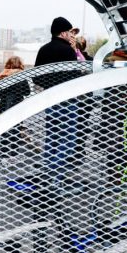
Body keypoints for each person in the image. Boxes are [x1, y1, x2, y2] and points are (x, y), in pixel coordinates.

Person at [34, 17, 79, 189]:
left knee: (51, 139)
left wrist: (50, 85)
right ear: (63, 32)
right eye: (69, 32)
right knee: (67, 140)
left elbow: (36, 76)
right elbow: (74, 76)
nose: (71, 35)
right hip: (67, 100)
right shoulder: (67, 51)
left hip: (50, 100)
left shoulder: (43, 49)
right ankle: (55, 179)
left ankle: (47, 175)